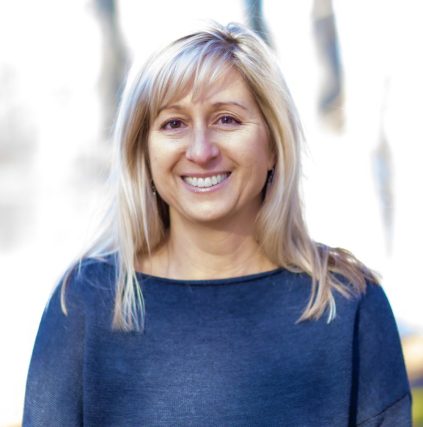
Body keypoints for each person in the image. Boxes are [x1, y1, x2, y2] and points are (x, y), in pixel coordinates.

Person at [23, 22, 411, 426]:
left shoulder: (346, 304)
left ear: (275, 145)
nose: (201, 150)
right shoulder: (86, 302)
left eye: (227, 119)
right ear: (144, 152)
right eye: (174, 124)